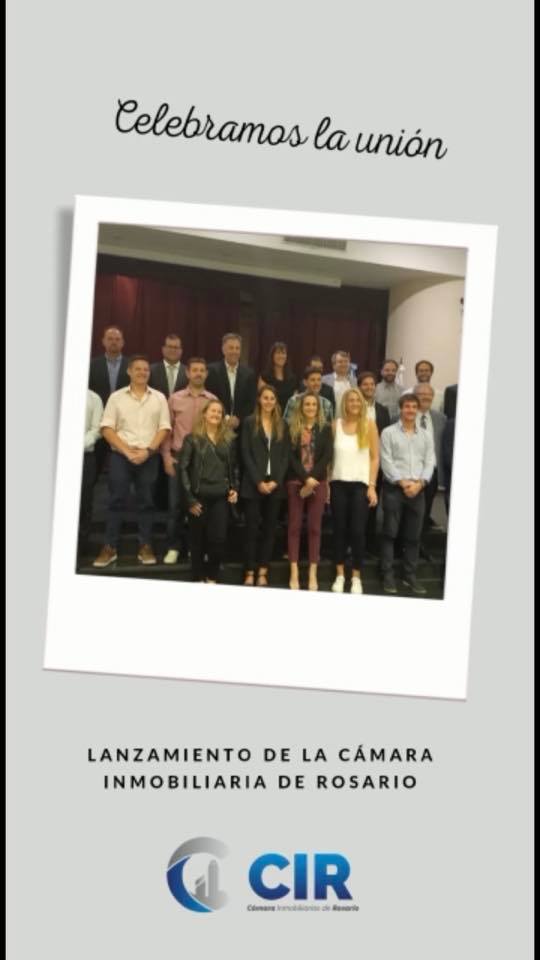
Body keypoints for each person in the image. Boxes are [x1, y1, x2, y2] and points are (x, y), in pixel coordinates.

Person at [93, 355, 171, 568]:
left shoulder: (159, 398)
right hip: (121, 456)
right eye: (138, 369)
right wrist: (127, 451)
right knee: (116, 500)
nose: (142, 372)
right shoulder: (116, 397)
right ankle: (110, 547)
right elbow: (106, 428)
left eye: (146, 369)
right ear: (129, 371)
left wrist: (148, 451)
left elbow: (164, 428)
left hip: (149, 457)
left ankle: (145, 545)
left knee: (146, 502)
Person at [161, 358, 217, 564]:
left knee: (199, 507)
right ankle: (173, 547)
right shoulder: (175, 399)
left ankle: (196, 547)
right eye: (195, 370)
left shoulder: (212, 400)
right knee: (175, 506)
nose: (199, 373)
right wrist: (166, 457)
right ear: (187, 373)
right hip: (178, 459)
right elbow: (166, 430)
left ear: (206, 374)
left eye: (202, 370)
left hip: (203, 462)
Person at [379, 393, 435, 595]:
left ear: (418, 410)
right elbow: (386, 461)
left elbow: (430, 462)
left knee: (413, 536)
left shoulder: (426, 435)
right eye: (407, 406)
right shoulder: (388, 433)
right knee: (390, 534)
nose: (410, 410)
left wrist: (420, 484)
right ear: (400, 409)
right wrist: (403, 483)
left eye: (413, 407)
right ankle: (387, 575)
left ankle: (409, 575)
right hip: (395, 489)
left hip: (418, 490)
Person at [179, 399, 239, 583]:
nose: (216, 414)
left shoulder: (229, 439)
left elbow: (234, 468)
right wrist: (189, 499)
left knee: (218, 541)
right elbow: (183, 469)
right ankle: (198, 578)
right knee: (197, 542)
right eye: (212, 411)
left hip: (221, 497)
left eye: (219, 412)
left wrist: (234, 489)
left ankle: (212, 577)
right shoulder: (192, 439)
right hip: (198, 498)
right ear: (204, 414)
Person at [330, 389, 379, 594]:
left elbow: (375, 458)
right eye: (351, 400)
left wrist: (372, 486)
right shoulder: (335, 425)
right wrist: (327, 485)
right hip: (338, 484)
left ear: (362, 403)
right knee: (339, 530)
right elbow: (329, 458)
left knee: (358, 532)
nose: (355, 403)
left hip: (360, 486)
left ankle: (356, 577)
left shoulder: (369, 425)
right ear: (345, 403)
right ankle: (340, 575)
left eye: (358, 400)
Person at [241, 385, 290, 587]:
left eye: (272, 398)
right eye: (265, 398)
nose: (269, 401)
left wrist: (276, 480)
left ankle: (263, 570)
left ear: (276, 401)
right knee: (251, 530)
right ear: (259, 400)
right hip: (254, 484)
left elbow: (286, 456)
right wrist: (258, 481)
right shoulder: (249, 422)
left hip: (275, 485)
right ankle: (249, 571)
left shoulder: (283, 425)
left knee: (270, 531)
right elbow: (245, 453)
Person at [287, 391, 333, 591]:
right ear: (301, 407)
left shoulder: (325, 428)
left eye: (314, 404)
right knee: (294, 527)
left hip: (318, 481)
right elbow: (290, 457)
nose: (311, 407)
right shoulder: (292, 428)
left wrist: (312, 479)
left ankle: (313, 573)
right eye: (307, 404)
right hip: (296, 482)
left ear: (318, 407)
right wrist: (305, 479)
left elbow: (327, 456)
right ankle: (294, 572)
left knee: (315, 528)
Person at [357, 370, 391, 554]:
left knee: (372, 503)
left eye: (372, 384)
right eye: (365, 384)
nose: (369, 387)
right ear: (359, 387)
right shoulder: (352, 407)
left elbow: (385, 439)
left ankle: (369, 543)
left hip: (375, 464)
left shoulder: (383, 410)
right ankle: (354, 544)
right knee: (356, 507)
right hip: (355, 464)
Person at [413, 383, 447, 558]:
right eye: (421, 394)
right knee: (409, 512)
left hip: (431, 473)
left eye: (428, 395)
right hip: (410, 473)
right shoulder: (404, 415)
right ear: (414, 396)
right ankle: (405, 546)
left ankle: (420, 546)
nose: (425, 397)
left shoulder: (441, 418)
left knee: (425, 511)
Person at [205, 333, 257, 431]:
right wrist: (225, 417)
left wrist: (238, 418)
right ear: (223, 350)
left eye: (237, 348)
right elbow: (209, 398)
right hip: (217, 424)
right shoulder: (212, 371)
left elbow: (251, 402)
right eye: (231, 348)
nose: (234, 351)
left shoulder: (249, 374)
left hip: (241, 428)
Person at [78, 389, 104, 556]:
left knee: (84, 502)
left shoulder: (94, 398)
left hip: (85, 456)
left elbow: (97, 429)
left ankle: (81, 547)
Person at [88, 326, 130, 405]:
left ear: (122, 343)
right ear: (103, 341)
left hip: (125, 408)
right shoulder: (92, 365)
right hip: (99, 407)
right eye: (110, 339)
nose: (114, 342)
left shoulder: (131, 365)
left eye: (117, 339)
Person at [258, 341, 297, 411]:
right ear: (272, 356)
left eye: (283, 353)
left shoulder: (292, 379)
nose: (281, 356)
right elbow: (261, 400)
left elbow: (294, 402)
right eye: (278, 353)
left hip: (287, 415)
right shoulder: (264, 377)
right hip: (269, 414)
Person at [322, 350, 357, 415]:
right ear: (334, 365)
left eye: (346, 361)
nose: (344, 364)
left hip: (349, 418)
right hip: (330, 418)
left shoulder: (355, 381)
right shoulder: (324, 380)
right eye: (340, 362)